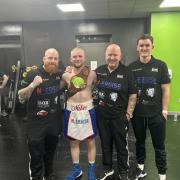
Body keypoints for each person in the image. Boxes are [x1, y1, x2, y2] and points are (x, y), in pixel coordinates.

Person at [129, 34, 170, 180]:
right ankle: (140, 169)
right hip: (138, 115)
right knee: (139, 143)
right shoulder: (132, 67)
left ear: (152, 47)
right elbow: (129, 91)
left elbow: (166, 89)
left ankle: (162, 175)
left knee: (159, 146)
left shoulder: (161, 65)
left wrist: (164, 110)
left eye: (147, 45)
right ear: (137, 48)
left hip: (156, 115)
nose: (144, 48)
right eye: (141, 45)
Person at [18, 48, 63, 180]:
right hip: (36, 124)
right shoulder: (33, 74)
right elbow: (20, 96)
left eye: (55, 59)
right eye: (50, 58)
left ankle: (49, 175)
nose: (52, 61)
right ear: (43, 59)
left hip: (53, 123)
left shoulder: (58, 74)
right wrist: (33, 85)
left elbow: (68, 83)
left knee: (50, 154)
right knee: (36, 155)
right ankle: (36, 177)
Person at [94, 44, 137, 180]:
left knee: (121, 146)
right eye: (109, 55)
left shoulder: (127, 72)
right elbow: (86, 81)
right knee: (105, 143)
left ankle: (123, 170)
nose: (112, 58)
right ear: (105, 55)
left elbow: (133, 95)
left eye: (115, 55)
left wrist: (129, 114)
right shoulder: (99, 71)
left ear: (120, 56)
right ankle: (107, 168)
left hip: (119, 117)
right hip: (102, 116)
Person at [62, 47, 97, 180]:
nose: (77, 59)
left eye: (80, 56)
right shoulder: (66, 75)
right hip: (72, 111)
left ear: (84, 57)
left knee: (90, 142)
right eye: (75, 57)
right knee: (74, 142)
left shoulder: (92, 74)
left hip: (88, 110)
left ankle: (91, 170)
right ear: (71, 59)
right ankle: (77, 170)